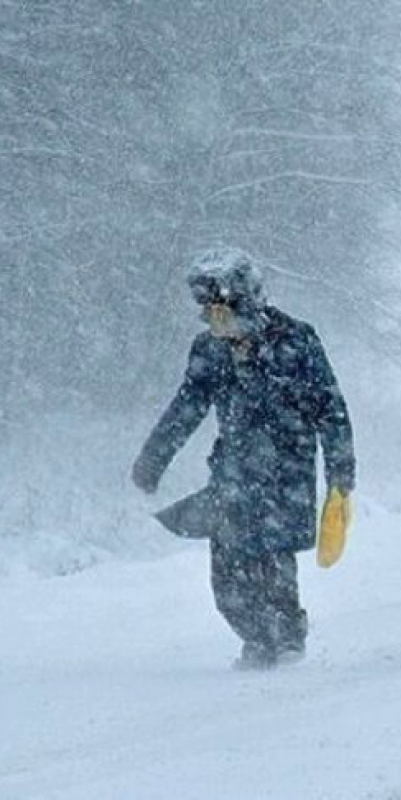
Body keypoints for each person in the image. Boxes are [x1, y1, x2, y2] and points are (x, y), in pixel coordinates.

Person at [131, 248, 355, 670]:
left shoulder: (297, 340)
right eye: (209, 312)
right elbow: (187, 407)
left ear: (248, 302)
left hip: (286, 472)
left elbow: (331, 409)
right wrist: (153, 458)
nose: (216, 321)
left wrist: (341, 474)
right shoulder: (208, 351)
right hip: (232, 474)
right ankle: (256, 640)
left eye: (223, 310)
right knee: (227, 576)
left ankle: (287, 641)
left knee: (271, 560)